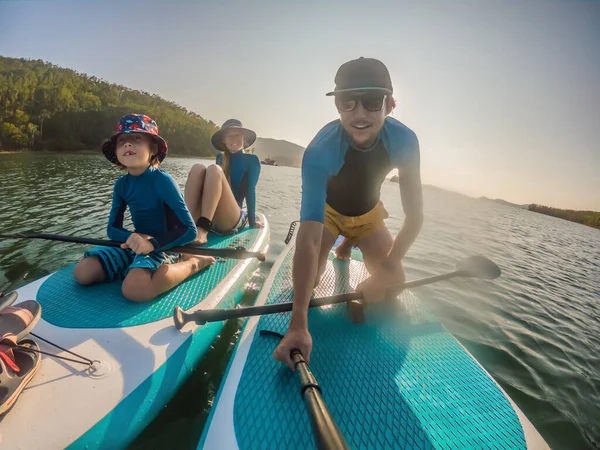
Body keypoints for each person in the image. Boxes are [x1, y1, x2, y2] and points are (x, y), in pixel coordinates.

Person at [274, 58, 424, 370]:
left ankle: (348, 244)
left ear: (390, 105)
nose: (359, 114)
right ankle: (342, 241)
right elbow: (309, 236)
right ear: (338, 106)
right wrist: (298, 324)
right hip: (329, 214)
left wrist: (387, 269)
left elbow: (415, 217)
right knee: (309, 281)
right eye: (347, 102)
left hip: (369, 214)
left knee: (393, 285)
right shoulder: (319, 152)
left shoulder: (405, 142)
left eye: (371, 102)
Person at [73, 114, 214, 302]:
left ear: (153, 148)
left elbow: (189, 230)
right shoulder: (121, 185)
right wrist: (132, 238)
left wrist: (152, 243)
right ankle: (131, 267)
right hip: (137, 244)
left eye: (137, 139)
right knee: (83, 272)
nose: (128, 145)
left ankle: (194, 264)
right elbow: (112, 229)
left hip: (165, 246)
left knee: (134, 290)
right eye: (122, 141)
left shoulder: (163, 181)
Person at [184, 119, 262, 245]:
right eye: (229, 136)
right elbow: (213, 191)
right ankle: (186, 226)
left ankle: (203, 230)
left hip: (232, 218)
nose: (234, 139)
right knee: (197, 168)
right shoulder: (220, 157)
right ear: (223, 141)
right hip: (213, 216)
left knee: (214, 169)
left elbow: (250, 191)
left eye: (238, 135)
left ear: (244, 138)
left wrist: (252, 221)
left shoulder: (251, 160)